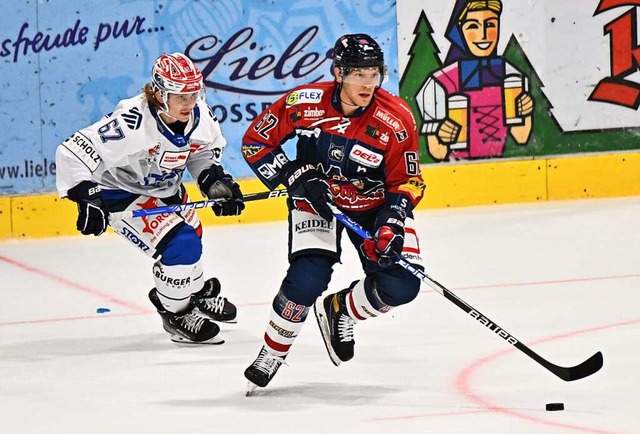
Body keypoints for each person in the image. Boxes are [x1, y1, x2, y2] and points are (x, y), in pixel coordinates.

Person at [241, 34, 426, 393]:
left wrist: (392, 221)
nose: (368, 84)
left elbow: (409, 181)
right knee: (306, 280)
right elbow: (255, 141)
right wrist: (295, 176)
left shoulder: (396, 119)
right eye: (359, 74)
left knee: (402, 284)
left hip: (373, 209)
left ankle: (342, 310)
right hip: (315, 201)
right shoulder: (303, 103)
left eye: (374, 74)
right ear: (338, 73)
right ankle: (272, 352)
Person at [55, 52, 244, 344]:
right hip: (121, 193)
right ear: (158, 93)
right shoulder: (132, 121)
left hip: (165, 189)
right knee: (182, 244)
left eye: (193, 94)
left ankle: (191, 294)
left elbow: (201, 153)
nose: (189, 103)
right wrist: (87, 197)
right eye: (181, 96)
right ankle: (176, 313)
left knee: (193, 236)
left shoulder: (200, 114)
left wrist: (213, 180)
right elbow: (72, 151)